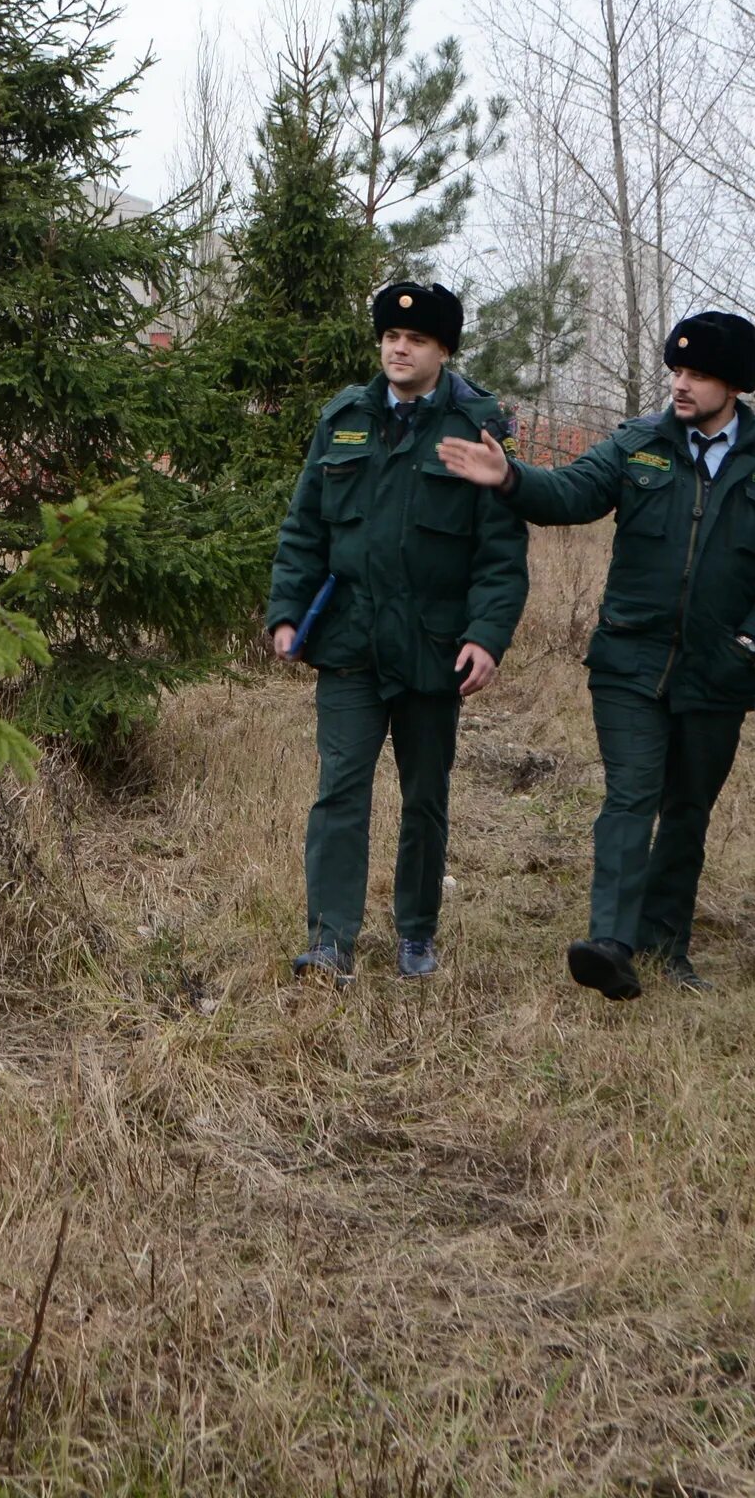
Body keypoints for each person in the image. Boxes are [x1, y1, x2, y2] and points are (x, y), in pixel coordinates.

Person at [434, 309, 755, 998]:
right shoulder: (639, 444)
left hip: (719, 671)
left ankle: (667, 947)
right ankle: (610, 942)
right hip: (629, 662)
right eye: (677, 370)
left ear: (733, 385)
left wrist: (751, 642)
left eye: (698, 374)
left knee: (687, 810)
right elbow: (572, 493)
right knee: (629, 796)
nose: (681, 385)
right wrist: (510, 477)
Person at [265, 281, 530, 985]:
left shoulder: (474, 425)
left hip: (432, 644)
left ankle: (416, 932)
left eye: (414, 339)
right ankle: (330, 939)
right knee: (340, 788)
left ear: (443, 349)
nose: (399, 347)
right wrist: (287, 612)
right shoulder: (345, 420)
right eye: (390, 337)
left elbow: (500, 551)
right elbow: (304, 529)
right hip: (351, 641)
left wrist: (486, 635)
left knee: (425, 795)